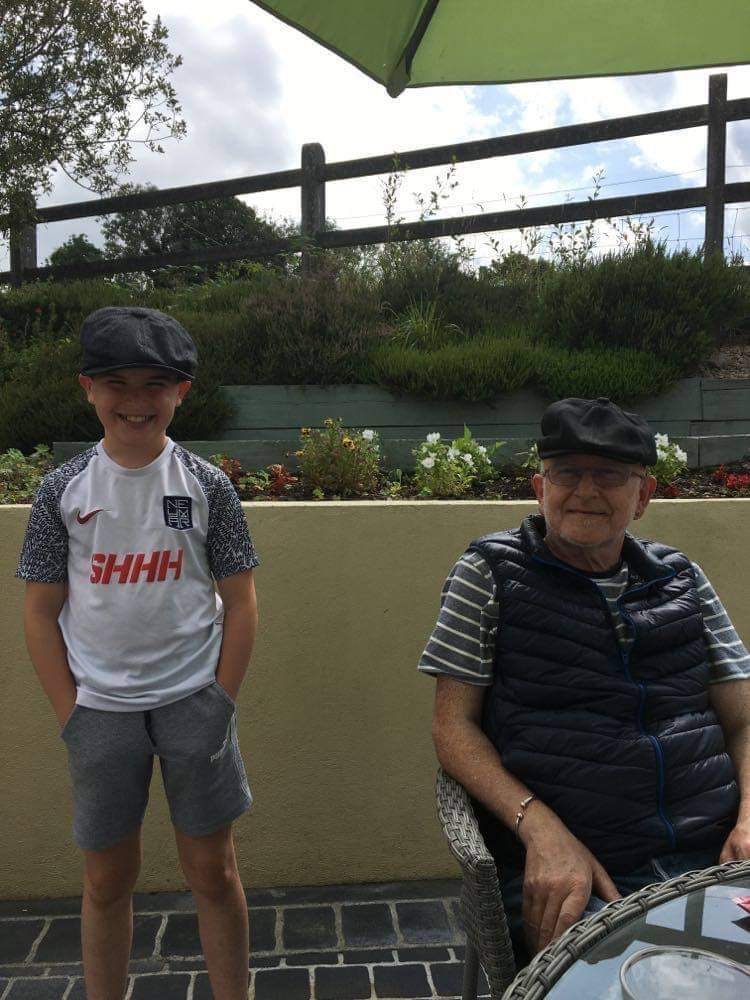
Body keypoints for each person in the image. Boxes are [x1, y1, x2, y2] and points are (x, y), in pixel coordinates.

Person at [419, 397, 750, 963]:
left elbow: (744, 719)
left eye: (609, 475)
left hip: (715, 851)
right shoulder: (490, 573)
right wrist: (540, 829)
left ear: (642, 496)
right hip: (581, 863)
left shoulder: (682, 577)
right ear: (539, 487)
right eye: (567, 473)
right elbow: (452, 728)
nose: (586, 491)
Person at [17, 306, 259, 1000]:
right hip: (100, 713)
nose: (135, 400)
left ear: (181, 392)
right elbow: (40, 611)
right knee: (105, 881)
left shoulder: (208, 484)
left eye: (155, 383)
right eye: (115, 381)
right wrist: (73, 712)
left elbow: (240, 602)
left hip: (194, 704)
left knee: (213, 872)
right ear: (86, 388)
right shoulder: (60, 489)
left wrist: (221, 699)